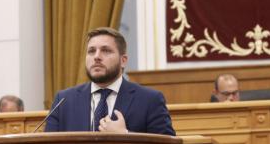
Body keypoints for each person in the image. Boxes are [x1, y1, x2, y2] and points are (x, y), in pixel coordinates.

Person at [45, 27, 175, 135]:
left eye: (106, 51)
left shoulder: (150, 100)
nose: (96, 57)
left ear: (123, 60)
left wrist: (125, 135)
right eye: (91, 51)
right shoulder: (63, 101)